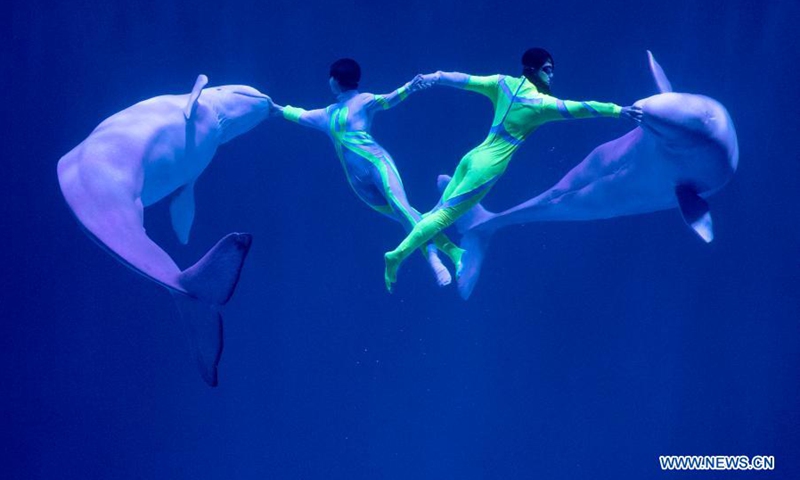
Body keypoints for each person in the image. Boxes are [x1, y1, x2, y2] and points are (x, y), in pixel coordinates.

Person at [384, 48, 643, 291]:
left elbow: (464, 80)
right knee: (442, 218)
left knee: (436, 214)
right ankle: (396, 256)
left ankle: (454, 253)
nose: (552, 75)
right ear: (533, 69)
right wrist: (619, 111)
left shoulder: (501, 83)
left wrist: (435, 76)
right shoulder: (541, 104)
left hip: (472, 157)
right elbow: (582, 108)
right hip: (488, 168)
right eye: (548, 69)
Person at [270, 58, 463, 286]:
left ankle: (434, 260)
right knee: (409, 218)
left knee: (403, 210)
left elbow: (389, 99)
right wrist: (276, 109)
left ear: (334, 80)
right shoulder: (328, 114)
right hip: (359, 184)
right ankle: (455, 252)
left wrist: (410, 87)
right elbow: (301, 115)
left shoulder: (363, 101)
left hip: (377, 165)